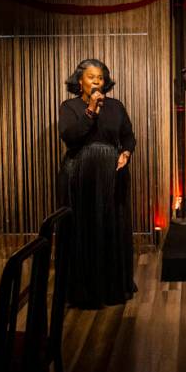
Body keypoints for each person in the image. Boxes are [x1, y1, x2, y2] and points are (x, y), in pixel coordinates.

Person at [58, 59, 137, 308]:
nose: (96, 82)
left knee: (111, 226)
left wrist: (126, 152)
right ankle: (85, 290)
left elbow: (128, 135)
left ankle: (113, 287)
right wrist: (91, 110)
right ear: (79, 80)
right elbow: (70, 137)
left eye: (100, 78)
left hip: (112, 176)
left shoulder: (116, 106)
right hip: (80, 177)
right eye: (91, 77)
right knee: (85, 228)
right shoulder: (69, 106)